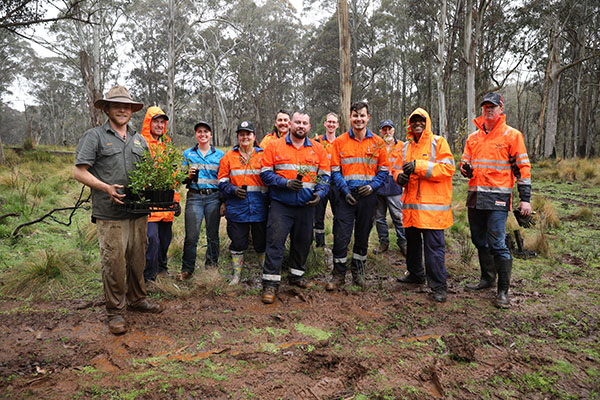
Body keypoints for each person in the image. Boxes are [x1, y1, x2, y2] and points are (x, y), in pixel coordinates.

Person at [74, 86, 165, 335]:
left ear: (133, 110)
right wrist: (105, 188)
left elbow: (148, 175)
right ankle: (115, 311)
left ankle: (137, 299)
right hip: (110, 213)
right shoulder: (94, 136)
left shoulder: (139, 139)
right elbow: (79, 171)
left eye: (126, 106)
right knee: (113, 263)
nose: (122, 110)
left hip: (138, 213)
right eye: (116, 106)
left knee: (138, 259)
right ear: (107, 109)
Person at [461, 92, 532, 308]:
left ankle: (503, 291)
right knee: (478, 240)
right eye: (485, 107)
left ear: (501, 109)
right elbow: (464, 163)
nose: (488, 110)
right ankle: (488, 278)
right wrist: (465, 169)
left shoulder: (512, 135)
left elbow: (523, 168)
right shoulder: (472, 138)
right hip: (475, 197)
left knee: (497, 243)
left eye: (492, 106)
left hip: (499, 199)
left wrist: (525, 200)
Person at [259, 111, 330, 304]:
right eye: (297, 122)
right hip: (281, 205)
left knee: (303, 242)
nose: (300, 126)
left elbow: (325, 176)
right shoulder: (274, 146)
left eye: (304, 123)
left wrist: (320, 194)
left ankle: (296, 276)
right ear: (290, 124)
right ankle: (270, 284)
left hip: (306, 206)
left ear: (309, 126)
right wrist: (284, 183)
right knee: (275, 243)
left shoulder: (318, 148)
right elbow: (264, 173)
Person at [393, 108, 455, 303]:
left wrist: (419, 166)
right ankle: (415, 274)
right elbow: (395, 169)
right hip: (411, 206)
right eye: (414, 121)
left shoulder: (439, 142)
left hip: (432, 208)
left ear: (426, 122)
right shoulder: (405, 147)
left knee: (434, 248)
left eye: (421, 120)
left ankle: (438, 286)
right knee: (412, 244)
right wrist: (399, 178)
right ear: (410, 124)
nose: (417, 123)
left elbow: (448, 168)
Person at [326, 101, 389, 290]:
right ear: (350, 118)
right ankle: (338, 275)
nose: (358, 119)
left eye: (362, 115)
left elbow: (384, 170)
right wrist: (344, 191)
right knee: (341, 236)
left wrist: (372, 187)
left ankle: (358, 273)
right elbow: (335, 170)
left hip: (368, 197)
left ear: (368, 118)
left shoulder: (378, 143)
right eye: (355, 115)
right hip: (345, 197)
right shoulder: (339, 142)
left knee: (363, 235)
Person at [218, 121, 268, 285]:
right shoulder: (228, 157)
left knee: (261, 242)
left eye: (248, 134)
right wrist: (232, 190)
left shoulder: (263, 155)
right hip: (237, 209)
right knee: (238, 242)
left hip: (260, 207)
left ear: (254, 136)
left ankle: (264, 274)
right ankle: (236, 276)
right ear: (238, 137)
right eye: (242, 134)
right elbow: (222, 182)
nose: (245, 137)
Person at [178, 120, 225, 281]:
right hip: (194, 197)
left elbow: (224, 179)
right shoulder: (188, 154)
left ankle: (211, 267)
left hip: (213, 197)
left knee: (213, 235)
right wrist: (188, 175)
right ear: (196, 135)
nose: (203, 134)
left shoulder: (220, 155)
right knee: (192, 235)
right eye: (199, 132)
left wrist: (224, 201)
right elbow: (181, 179)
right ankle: (187, 269)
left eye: (206, 131)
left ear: (210, 135)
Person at [139, 106, 181, 283]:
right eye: (155, 121)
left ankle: (163, 270)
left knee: (165, 239)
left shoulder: (167, 146)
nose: (159, 125)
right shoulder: (140, 144)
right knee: (151, 239)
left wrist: (176, 201)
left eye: (162, 122)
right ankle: (149, 277)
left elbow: (174, 178)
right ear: (148, 122)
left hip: (166, 206)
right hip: (149, 205)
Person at [373, 119, 407, 256]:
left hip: (395, 184)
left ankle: (403, 243)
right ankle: (383, 242)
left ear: (393, 130)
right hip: (379, 184)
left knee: (398, 216)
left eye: (389, 129)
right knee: (379, 217)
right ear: (380, 131)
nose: (387, 132)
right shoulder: (376, 145)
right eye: (384, 129)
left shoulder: (402, 146)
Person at [313, 112, 339, 247]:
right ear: (325, 123)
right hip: (321, 182)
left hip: (335, 183)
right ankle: (320, 245)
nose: (331, 124)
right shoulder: (317, 140)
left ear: (337, 125)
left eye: (334, 122)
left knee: (338, 215)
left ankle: (337, 243)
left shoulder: (340, 142)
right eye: (329, 121)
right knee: (318, 215)